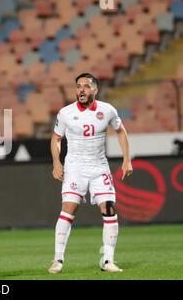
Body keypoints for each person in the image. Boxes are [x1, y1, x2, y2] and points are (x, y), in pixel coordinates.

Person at [48, 73, 133, 273]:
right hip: (75, 168)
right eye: (78, 86)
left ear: (95, 90)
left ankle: (108, 261)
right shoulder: (65, 113)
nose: (81, 90)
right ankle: (58, 260)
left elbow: (121, 131)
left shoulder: (108, 110)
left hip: (99, 167)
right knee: (68, 210)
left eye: (86, 86)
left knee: (110, 210)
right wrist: (56, 163)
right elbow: (56, 139)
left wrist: (127, 159)